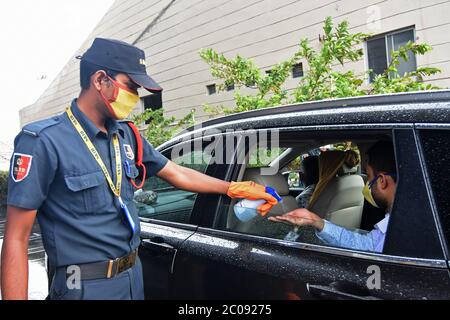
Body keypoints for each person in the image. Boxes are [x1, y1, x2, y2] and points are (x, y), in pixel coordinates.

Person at [0, 38, 278, 300]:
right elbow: (15, 238)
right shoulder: (44, 141)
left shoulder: (126, 136)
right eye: (130, 86)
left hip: (133, 276)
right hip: (83, 286)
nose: (134, 96)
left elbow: (176, 172)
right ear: (100, 80)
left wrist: (231, 188)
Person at [270, 141, 397, 253]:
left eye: (368, 176)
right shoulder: (396, 220)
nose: (366, 183)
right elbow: (369, 245)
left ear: (382, 181)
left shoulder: (403, 228)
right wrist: (317, 221)